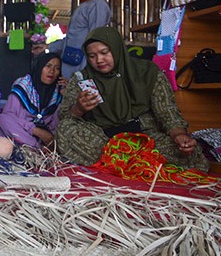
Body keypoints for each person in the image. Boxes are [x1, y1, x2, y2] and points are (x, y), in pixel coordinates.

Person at [55, 26, 208, 171]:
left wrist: (179, 135)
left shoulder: (147, 73)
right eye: (92, 56)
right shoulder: (82, 78)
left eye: (104, 52)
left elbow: (167, 111)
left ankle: (121, 162)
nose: (99, 60)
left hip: (144, 138)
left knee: (190, 153)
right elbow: (65, 117)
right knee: (65, 129)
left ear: (117, 48)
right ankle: (137, 162)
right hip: (104, 140)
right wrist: (79, 109)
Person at [34, 0, 112, 79]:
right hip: (73, 66)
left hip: (83, 68)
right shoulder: (86, 5)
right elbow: (71, 39)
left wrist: (88, 72)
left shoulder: (98, 5)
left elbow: (95, 39)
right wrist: (47, 47)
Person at [0, 52, 63, 149]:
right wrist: (34, 130)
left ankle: (31, 148)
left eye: (57, 68)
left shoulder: (58, 92)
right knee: (1, 119)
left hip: (43, 137)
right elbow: (9, 115)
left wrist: (67, 97)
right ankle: (35, 148)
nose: (52, 71)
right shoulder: (23, 86)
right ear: (39, 67)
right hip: (21, 131)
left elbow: (55, 126)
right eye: (48, 66)